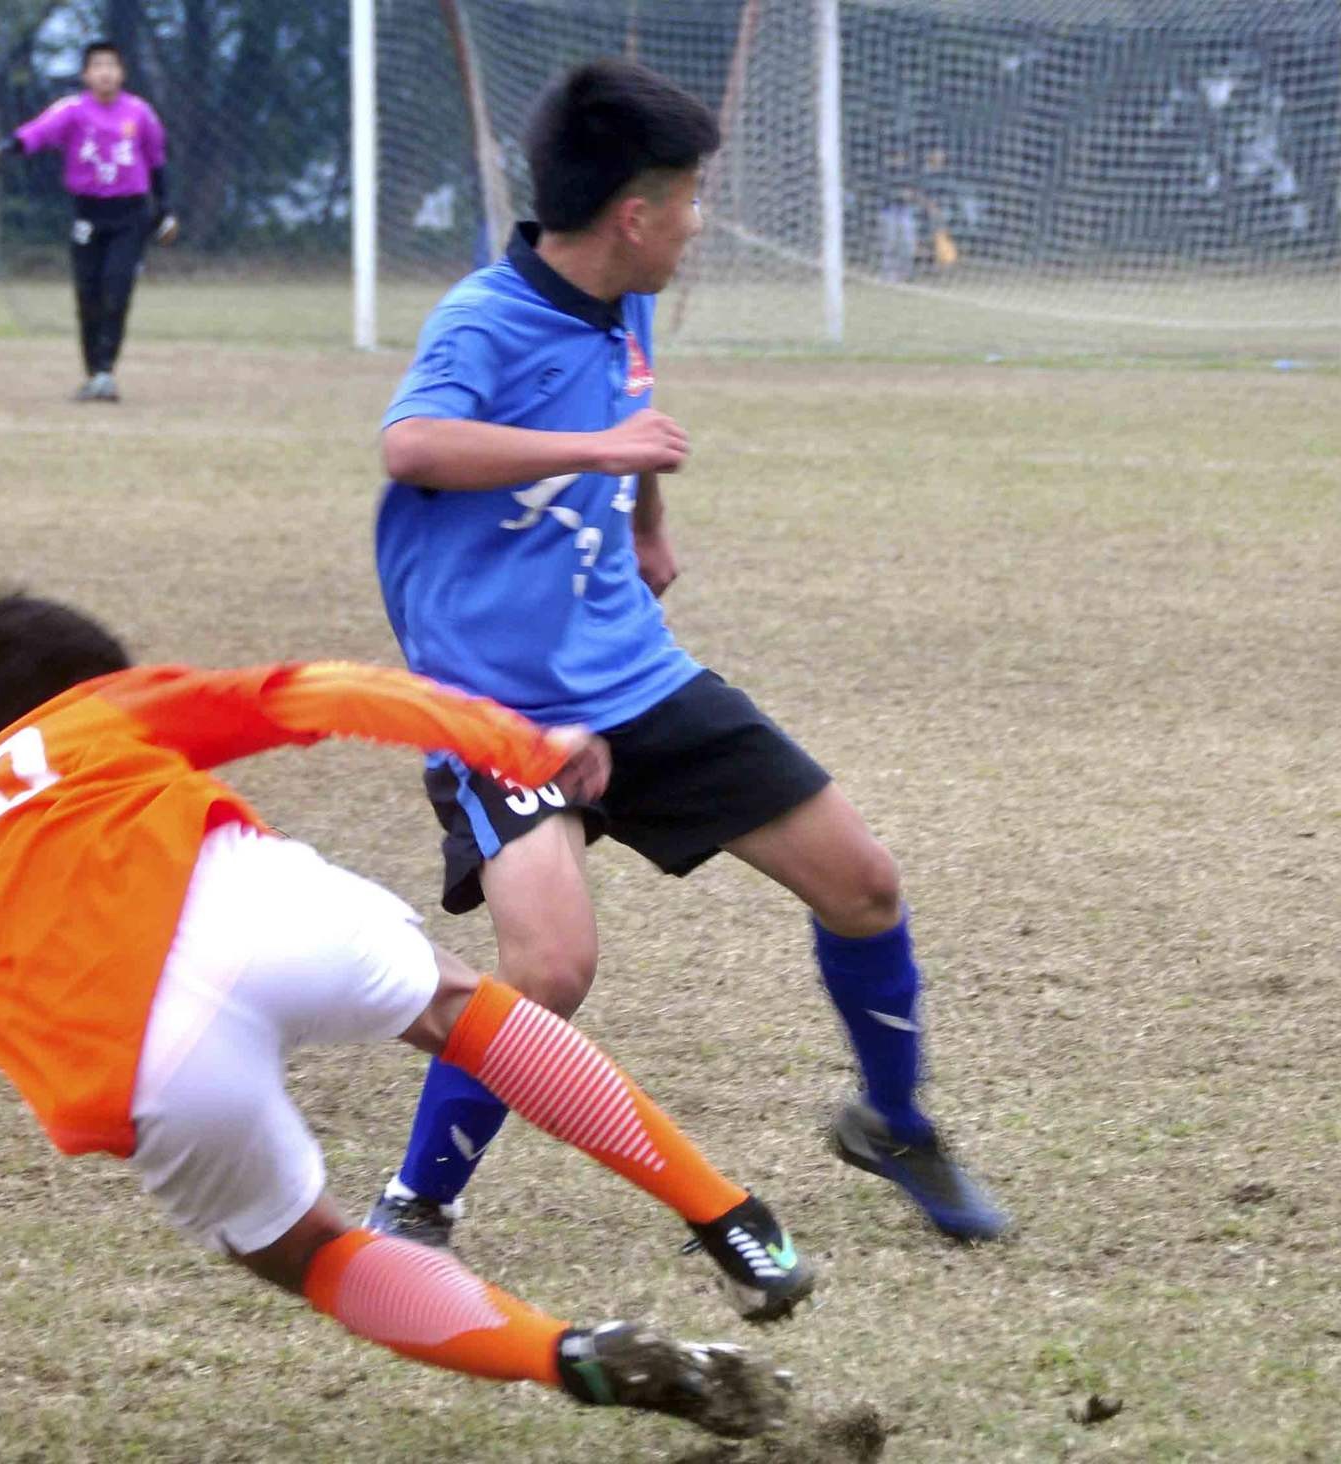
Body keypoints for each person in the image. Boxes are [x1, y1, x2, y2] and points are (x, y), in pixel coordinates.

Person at [0, 589, 815, 1448]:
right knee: (457, 1006)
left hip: (149, 1071)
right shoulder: (92, 714)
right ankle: (731, 1219)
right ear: (89, 678)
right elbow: (314, 693)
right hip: (252, 909)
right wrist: (518, 743)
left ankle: (565, 1354)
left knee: (308, 1253)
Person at [369, 59, 1009, 1249]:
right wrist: (599, 453)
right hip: (498, 705)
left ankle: (894, 1123)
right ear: (634, 214)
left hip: (634, 671)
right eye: (691, 200)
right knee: (550, 970)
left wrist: (646, 521)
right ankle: (418, 1201)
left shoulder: (626, 302)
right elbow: (413, 446)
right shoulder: (482, 319)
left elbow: (633, 425)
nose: (700, 223)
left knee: (862, 884)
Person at [0, 41, 178, 402]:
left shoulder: (140, 113)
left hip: (130, 216)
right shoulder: (73, 111)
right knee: (88, 296)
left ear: (122, 73)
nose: (105, 72)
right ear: (85, 75)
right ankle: (93, 372)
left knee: (116, 289)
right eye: (97, 66)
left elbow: (157, 163)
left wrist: (164, 211)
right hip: (88, 215)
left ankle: (105, 373)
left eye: (112, 65)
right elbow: (34, 134)